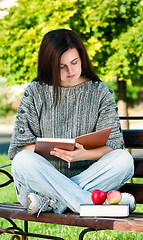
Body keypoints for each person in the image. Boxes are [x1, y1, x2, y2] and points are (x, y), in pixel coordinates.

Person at [8, 29, 135, 217]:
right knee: (22, 161)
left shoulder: (100, 92)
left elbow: (113, 146)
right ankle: (86, 202)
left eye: (74, 62)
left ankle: (53, 202)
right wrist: (52, 150)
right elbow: (19, 148)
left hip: (55, 190)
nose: (71, 71)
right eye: (61, 66)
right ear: (49, 65)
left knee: (124, 160)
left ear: (82, 58)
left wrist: (82, 155)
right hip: (41, 182)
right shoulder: (35, 92)